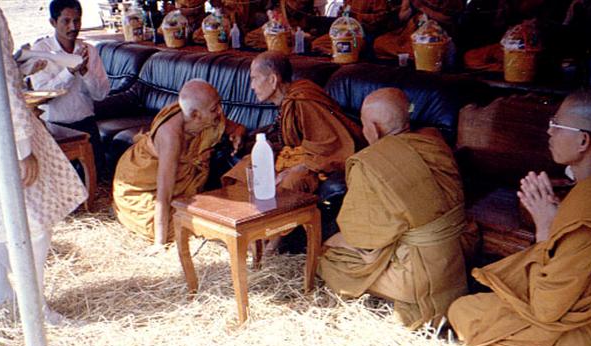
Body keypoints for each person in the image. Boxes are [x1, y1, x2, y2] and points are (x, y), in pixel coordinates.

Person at [439, 89, 591, 346]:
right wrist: (556, 223)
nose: (549, 131)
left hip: (590, 336)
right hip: (572, 315)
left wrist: (545, 228)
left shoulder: (590, 205)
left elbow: (547, 308)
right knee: (462, 309)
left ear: (583, 141)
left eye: (557, 124)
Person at [318, 88, 474, 329]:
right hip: (459, 251)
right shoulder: (435, 143)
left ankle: (397, 299)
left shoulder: (370, 163)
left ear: (374, 129)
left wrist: (337, 243)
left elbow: (363, 237)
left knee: (330, 256)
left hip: (419, 272)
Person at [0, 4, 88, 324]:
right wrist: (22, 147)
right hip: (3, 136)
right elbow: (2, 85)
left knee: (1, 222)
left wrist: (19, 66)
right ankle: (33, 307)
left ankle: (3, 299)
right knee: (33, 224)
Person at [112, 79, 246, 247]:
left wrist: (238, 134)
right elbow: (164, 193)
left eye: (220, 104)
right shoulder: (171, 136)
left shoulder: (210, 116)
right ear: (195, 115)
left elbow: (237, 127)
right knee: (180, 226)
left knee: (202, 217)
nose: (220, 111)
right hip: (143, 185)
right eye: (214, 109)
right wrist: (159, 243)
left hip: (179, 186)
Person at [222, 51, 365, 195]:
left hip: (311, 163)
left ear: (273, 80)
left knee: (291, 181)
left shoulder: (303, 99)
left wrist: (298, 166)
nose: (252, 86)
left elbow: (330, 145)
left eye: (254, 78)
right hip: (293, 156)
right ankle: (236, 205)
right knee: (247, 166)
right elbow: (287, 136)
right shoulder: (288, 100)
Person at [29, 0, 110, 175]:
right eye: (66, 21)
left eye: (77, 20)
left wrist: (85, 72)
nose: (73, 27)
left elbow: (101, 95)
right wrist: (69, 71)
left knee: (99, 179)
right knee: (64, 182)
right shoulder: (41, 51)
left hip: (87, 125)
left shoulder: (89, 51)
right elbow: (43, 95)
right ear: (53, 22)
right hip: (55, 128)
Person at [372, 0, 462, 59]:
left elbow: (449, 19)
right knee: (379, 43)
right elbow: (402, 17)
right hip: (412, 31)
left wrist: (422, 7)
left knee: (429, 51)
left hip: (437, 33)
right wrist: (406, 8)